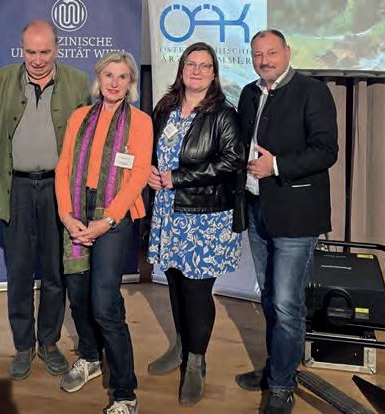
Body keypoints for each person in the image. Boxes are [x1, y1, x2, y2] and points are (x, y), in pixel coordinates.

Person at [233, 29, 338, 413]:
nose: (264, 60)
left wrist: (275, 166)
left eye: (271, 53)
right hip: (256, 208)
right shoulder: (248, 93)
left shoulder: (313, 91)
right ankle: (276, 367)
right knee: (270, 298)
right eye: (257, 54)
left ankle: (282, 384)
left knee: (287, 303)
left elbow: (326, 151)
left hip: (296, 214)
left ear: (288, 53)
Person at [0, 20, 90, 381]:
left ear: (56, 49)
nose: (37, 59)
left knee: (54, 271)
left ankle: (48, 341)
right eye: (30, 51)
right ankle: (22, 345)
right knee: (17, 272)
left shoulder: (78, 82)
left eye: (45, 52)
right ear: (22, 49)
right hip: (15, 188)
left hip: (57, 190)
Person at [147, 42, 244, 405]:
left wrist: (178, 178)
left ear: (214, 73)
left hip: (205, 217)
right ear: (182, 69)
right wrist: (151, 172)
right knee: (173, 282)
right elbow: (151, 150)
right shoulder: (165, 107)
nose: (197, 71)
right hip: (168, 211)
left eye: (205, 66)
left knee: (196, 291)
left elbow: (232, 161)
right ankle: (181, 347)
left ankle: (196, 362)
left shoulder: (223, 113)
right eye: (191, 64)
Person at [55, 51, 152, 414]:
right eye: (108, 75)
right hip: (77, 213)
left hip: (114, 217)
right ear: (99, 79)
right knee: (78, 296)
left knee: (105, 304)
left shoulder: (140, 122)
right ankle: (91, 357)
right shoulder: (79, 117)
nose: (114, 82)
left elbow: (138, 175)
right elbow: (64, 166)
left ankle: (125, 392)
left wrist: (107, 221)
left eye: (122, 76)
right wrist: (67, 216)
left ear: (130, 83)